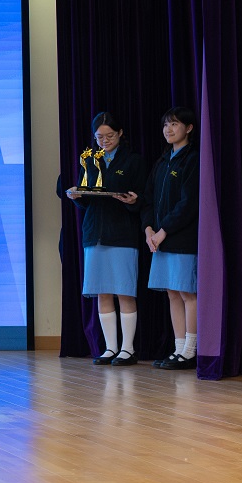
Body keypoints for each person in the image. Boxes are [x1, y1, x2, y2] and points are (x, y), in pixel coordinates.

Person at [63, 111, 144, 366]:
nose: (104, 141)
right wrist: (77, 197)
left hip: (122, 233)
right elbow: (87, 199)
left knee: (125, 291)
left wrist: (133, 201)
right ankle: (110, 348)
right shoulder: (90, 160)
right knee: (102, 292)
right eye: (99, 137)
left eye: (109, 136)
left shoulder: (133, 160)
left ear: (120, 133)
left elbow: (143, 197)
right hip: (94, 233)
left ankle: (127, 349)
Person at [142, 106, 200, 370]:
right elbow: (148, 199)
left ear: (188, 128)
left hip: (181, 238)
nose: (169, 129)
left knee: (187, 293)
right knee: (172, 293)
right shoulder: (162, 161)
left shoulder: (192, 159)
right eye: (166, 124)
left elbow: (188, 204)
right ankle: (178, 349)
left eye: (175, 124)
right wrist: (149, 230)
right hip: (159, 238)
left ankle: (190, 351)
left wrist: (163, 230)